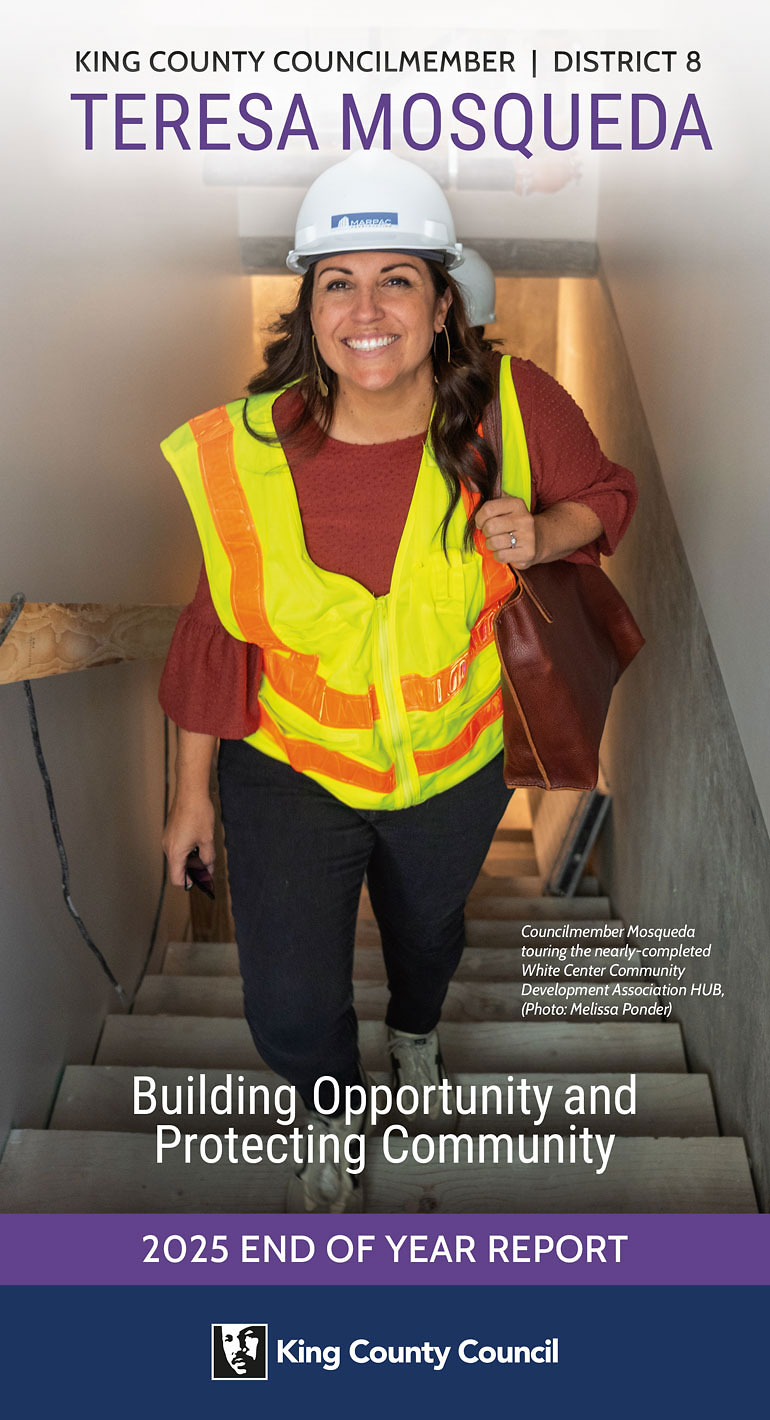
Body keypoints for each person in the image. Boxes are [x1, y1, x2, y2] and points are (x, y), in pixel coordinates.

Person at [159, 151, 637, 1215]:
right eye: (337, 279)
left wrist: (543, 526)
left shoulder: (512, 408)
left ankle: (412, 1027)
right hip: (287, 770)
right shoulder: (248, 454)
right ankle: (328, 1106)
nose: (364, 307)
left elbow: (607, 494)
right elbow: (211, 625)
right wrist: (192, 793)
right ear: (307, 306)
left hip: (454, 767)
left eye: (395, 280)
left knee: (426, 935)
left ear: (440, 306)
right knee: (285, 1000)